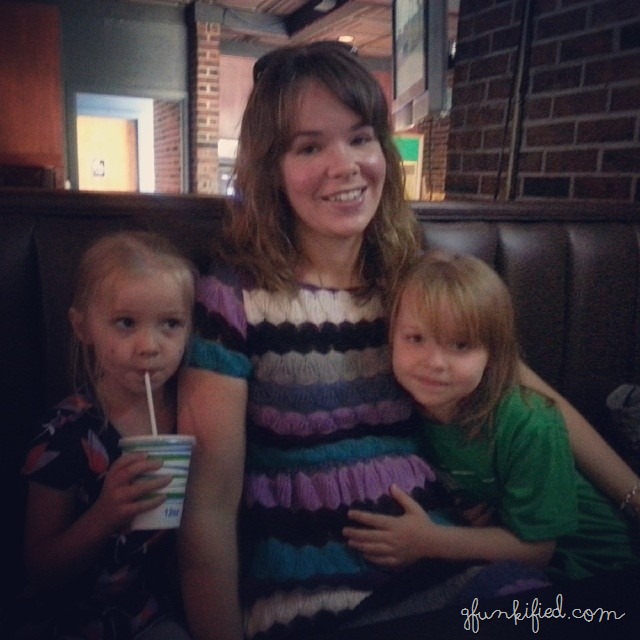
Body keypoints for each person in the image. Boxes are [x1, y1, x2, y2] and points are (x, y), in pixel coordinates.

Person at [177, 41, 640, 640]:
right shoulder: (234, 294)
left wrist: (635, 500)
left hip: (452, 557)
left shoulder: (407, 274)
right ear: (271, 168)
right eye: (310, 147)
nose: (345, 166)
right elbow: (208, 504)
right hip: (313, 587)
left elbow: (523, 390)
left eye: (360, 138)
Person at [344, 251, 640, 582]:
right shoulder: (401, 411)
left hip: (595, 569)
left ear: (493, 355)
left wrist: (431, 541)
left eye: (460, 345)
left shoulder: (530, 423)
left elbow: (538, 550)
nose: (435, 362)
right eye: (416, 339)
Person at [18, 231, 196, 639]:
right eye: (125, 323)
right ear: (83, 327)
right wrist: (104, 516)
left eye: (171, 324)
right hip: (68, 617)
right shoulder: (64, 433)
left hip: (147, 611)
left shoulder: (195, 415)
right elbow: (40, 570)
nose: (149, 346)